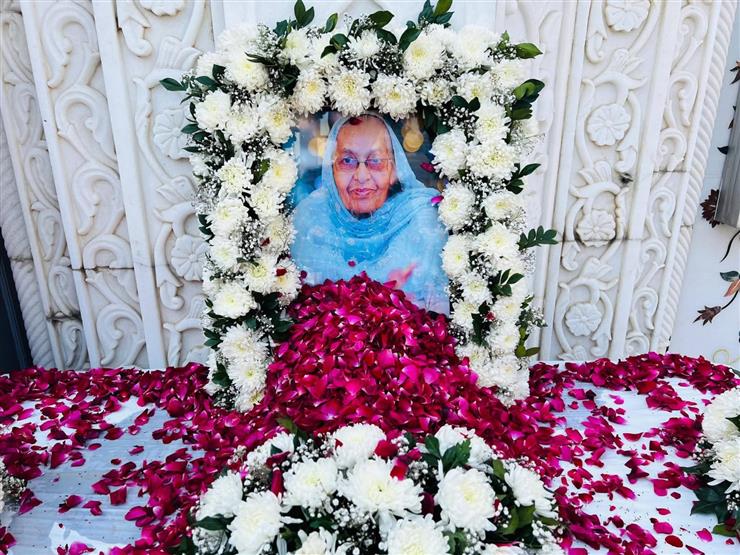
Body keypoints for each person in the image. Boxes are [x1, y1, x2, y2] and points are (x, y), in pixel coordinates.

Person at [291, 113, 450, 314]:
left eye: (376, 161)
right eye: (347, 160)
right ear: (332, 170)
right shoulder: (310, 218)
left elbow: (438, 316)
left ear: (394, 170)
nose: (361, 176)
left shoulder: (421, 221)